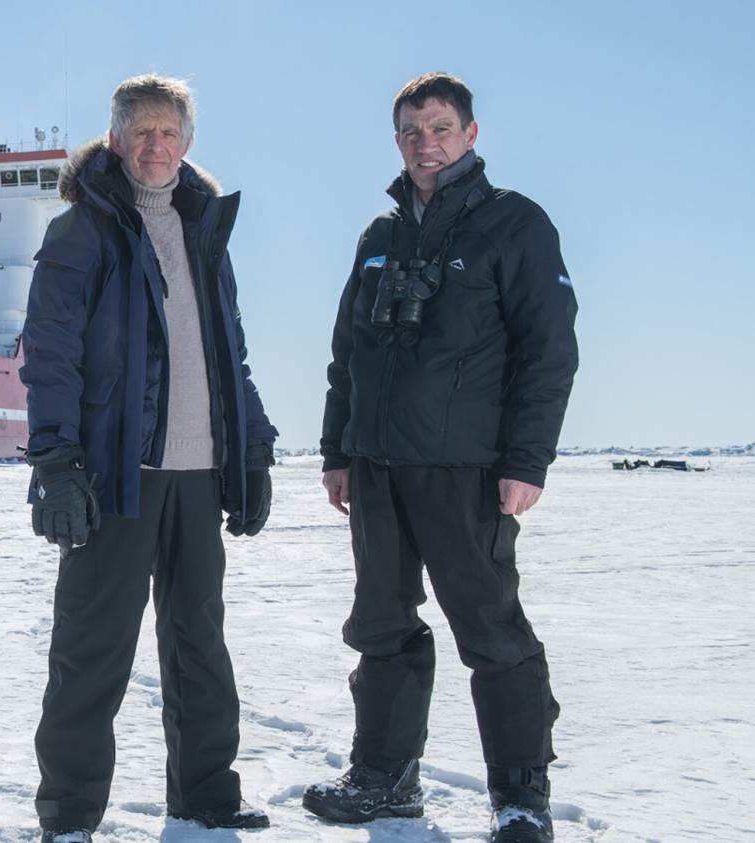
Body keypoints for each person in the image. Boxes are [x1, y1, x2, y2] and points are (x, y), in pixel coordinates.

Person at [303, 72, 578, 843]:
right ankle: (385, 778)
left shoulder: (514, 224)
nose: (426, 144)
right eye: (412, 132)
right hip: (377, 468)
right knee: (382, 626)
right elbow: (347, 353)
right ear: (397, 141)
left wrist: (527, 460)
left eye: (441, 128)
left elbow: (549, 351)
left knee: (492, 631)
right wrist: (337, 450)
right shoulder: (379, 236)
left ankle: (521, 796)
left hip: (468, 469)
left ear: (470, 134)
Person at [19, 74, 279, 843]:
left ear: (187, 142)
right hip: (115, 475)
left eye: (168, 132)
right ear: (115, 140)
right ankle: (69, 814)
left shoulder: (205, 233)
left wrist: (253, 446)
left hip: (199, 475)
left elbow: (230, 355)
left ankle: (205, 794)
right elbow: (51, 353)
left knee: (199, 640)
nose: (155, 145)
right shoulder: (83, 232)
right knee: (92, 646)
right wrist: (56, 460)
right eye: (141, 132)